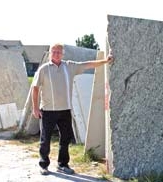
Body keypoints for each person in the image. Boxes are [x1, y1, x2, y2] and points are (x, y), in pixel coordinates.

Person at [31, 43, 114, 175]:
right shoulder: (44, 69)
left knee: (65, 138)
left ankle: (62, 164)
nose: (56, 54)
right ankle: (43, 165)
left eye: (59, 52)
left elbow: (88, 64)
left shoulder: (69, 66)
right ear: (50, 53)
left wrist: (105, 61)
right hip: (48, 111)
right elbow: (35, 89)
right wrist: (35, 108)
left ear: (62, 54)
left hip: (65, 110)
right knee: (45, 139)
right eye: (54, 52)